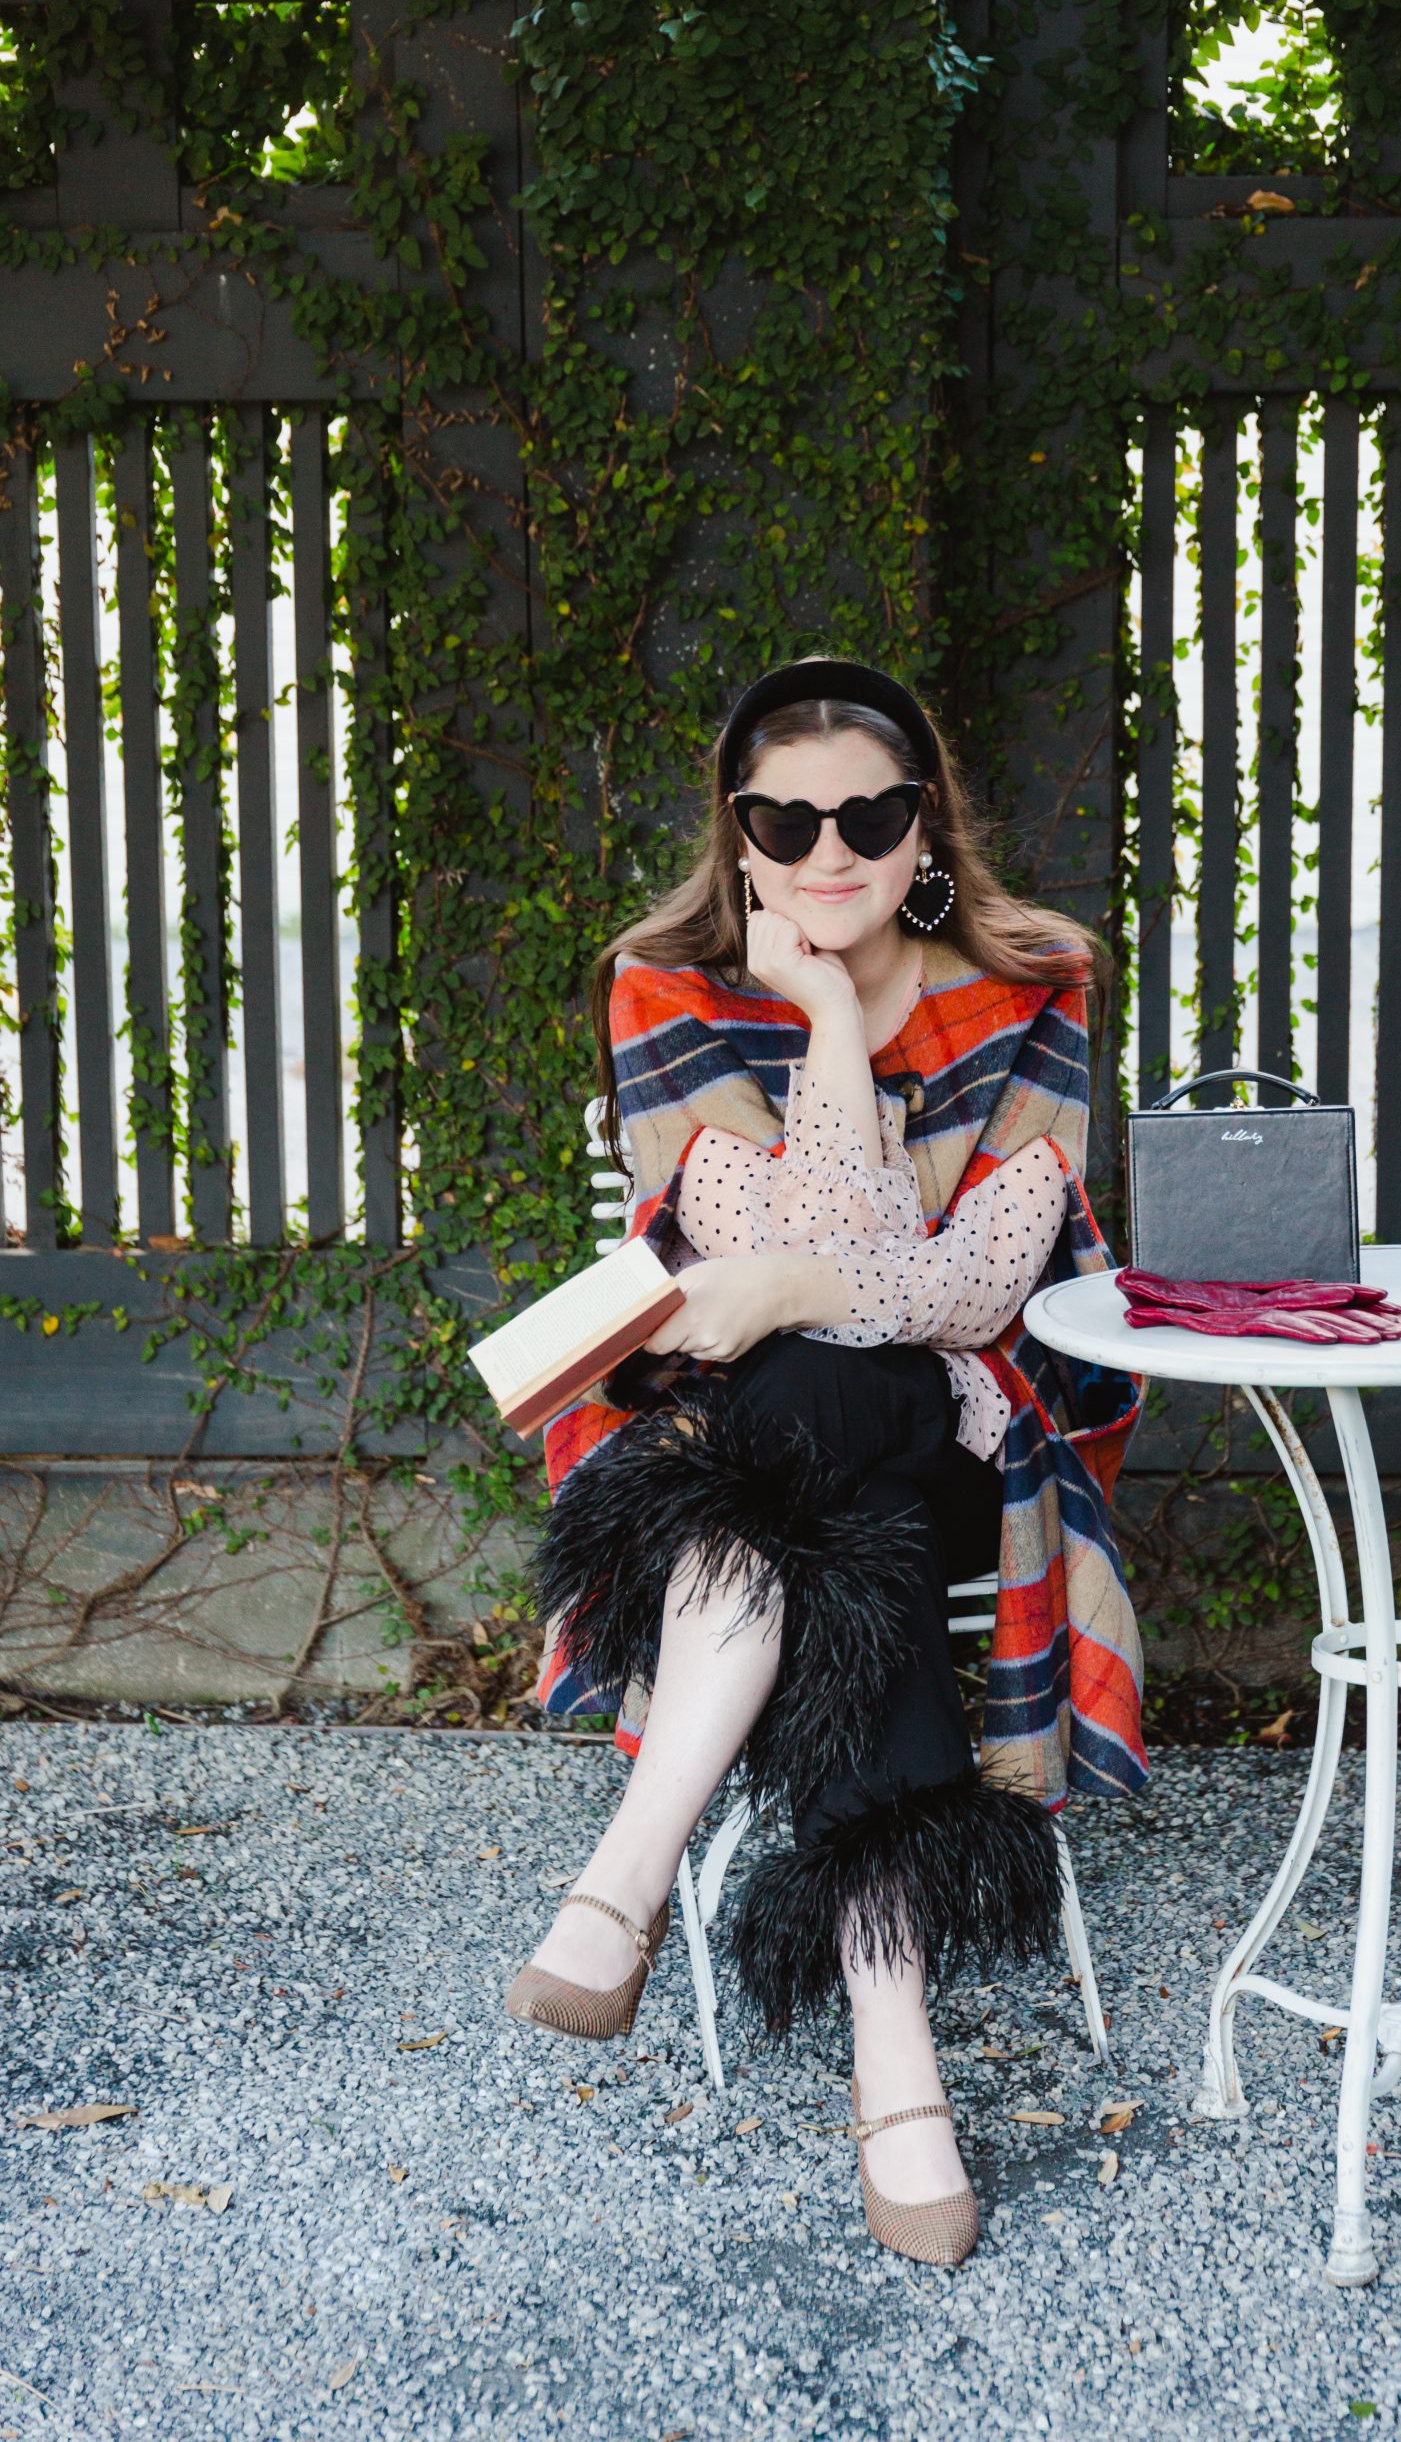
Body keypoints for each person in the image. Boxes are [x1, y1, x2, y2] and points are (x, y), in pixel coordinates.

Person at [506, 655, 1147, 2266]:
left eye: (869, 815)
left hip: (968, 1438)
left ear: (925, 820)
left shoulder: (1033, 980)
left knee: (818, 1380)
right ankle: (893, 2046)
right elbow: (780, 1252)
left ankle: (629, 1870)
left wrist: (794, 1267)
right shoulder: (671, 989)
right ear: (739, 835)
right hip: (813, 1465)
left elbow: (978, 1292)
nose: (830, 850)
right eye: (785, 822)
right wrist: (826, 1030)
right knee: (832, 1482)